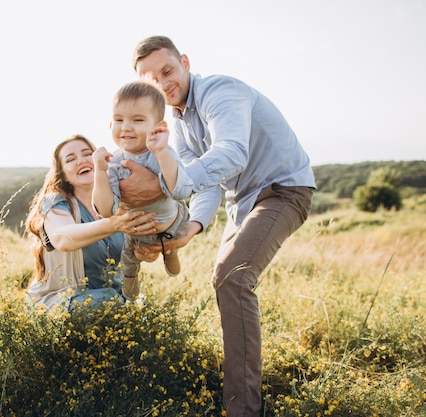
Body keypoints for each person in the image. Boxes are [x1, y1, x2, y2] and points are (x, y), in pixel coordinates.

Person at [121, 36, 316, 416]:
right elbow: (203, 183)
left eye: (168, 70)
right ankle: (240, 393)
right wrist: (188, 231)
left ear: (185, 63)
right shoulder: (176, 123)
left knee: (233, 277)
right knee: (224, 280)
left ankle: (243, 409)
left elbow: (230, 152)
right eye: (151, 79)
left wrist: (163, 184)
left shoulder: (220, 92)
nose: (162, 83)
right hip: (241, 203)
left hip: (283, 189)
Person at [25, 134, 157, 314]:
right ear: (62, 173)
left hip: (112, 299)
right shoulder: (56, 202)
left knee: (141, 308)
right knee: (109, 302)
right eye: (70, 159)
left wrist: (146, 252)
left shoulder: (118, 204)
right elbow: (63, 239)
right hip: (62, 301)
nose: (81, 161)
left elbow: (131, 260)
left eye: (87, 154)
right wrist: (114, 224)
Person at [92, 81, 193, 301]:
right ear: (110, 125)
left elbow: (181, 191)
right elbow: (106, 210)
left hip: (173, 222)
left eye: (137, 120)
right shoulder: (115, 163)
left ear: (158, 127)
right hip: (138, 232)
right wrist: (100, 171)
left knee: (170, 246)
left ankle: (171, 252)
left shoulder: (163, 153)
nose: (126, 127)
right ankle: (130, 302)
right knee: (128, 263)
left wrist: (161, 152)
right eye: (119, 120)